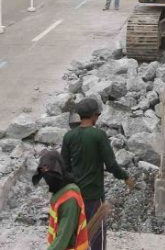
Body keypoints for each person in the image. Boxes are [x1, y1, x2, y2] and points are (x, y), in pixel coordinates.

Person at [62, 98, 134, 250]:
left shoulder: (69, 137)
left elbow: (65, 168)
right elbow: (111, 164)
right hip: (93, 196)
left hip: (74, 196)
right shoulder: (99, 135)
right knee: (96, 236)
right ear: (94, 116)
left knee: (77, 234)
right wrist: (125, 177)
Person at [32, 150, 89, 250]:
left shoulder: (70, 199)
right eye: (44, 173)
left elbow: (63, 237)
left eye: (48, 171)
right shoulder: (60, 191)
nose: (46, 178)